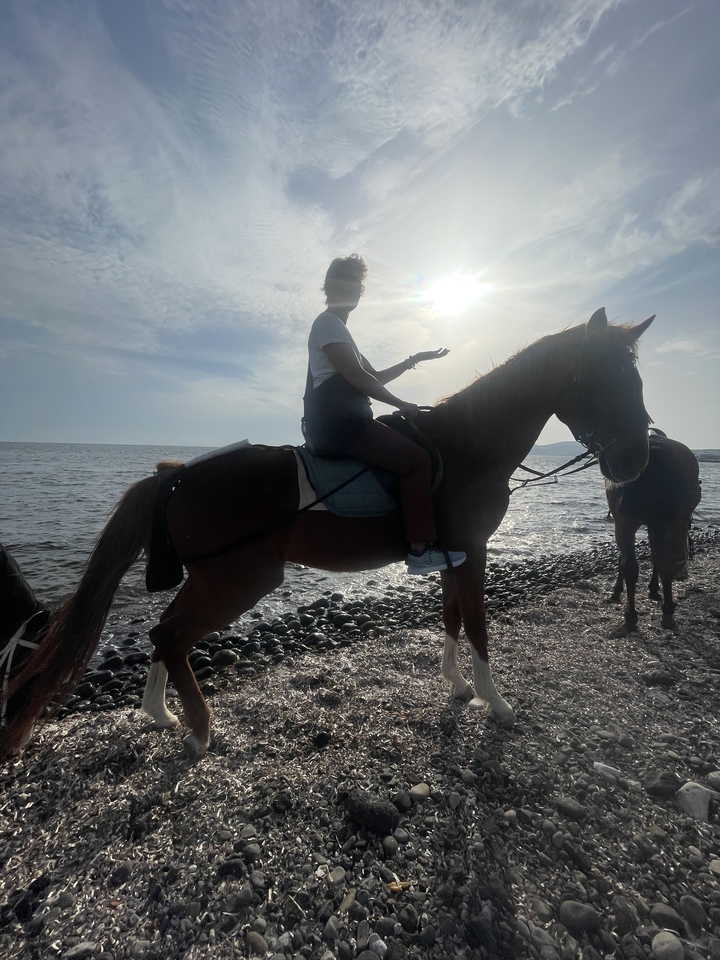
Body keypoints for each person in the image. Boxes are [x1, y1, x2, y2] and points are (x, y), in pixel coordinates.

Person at [303, 254, 466, 574]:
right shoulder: (327, 324)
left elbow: (372, 376)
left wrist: (412, 360)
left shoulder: (339, 330)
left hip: (344, 422)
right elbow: (355, 375)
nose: (353, 289)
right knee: (418, 460)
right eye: (346, 282)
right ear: (330, 286)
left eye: (357, 284)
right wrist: (400, 404)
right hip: (341, 425)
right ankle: (420, 549)